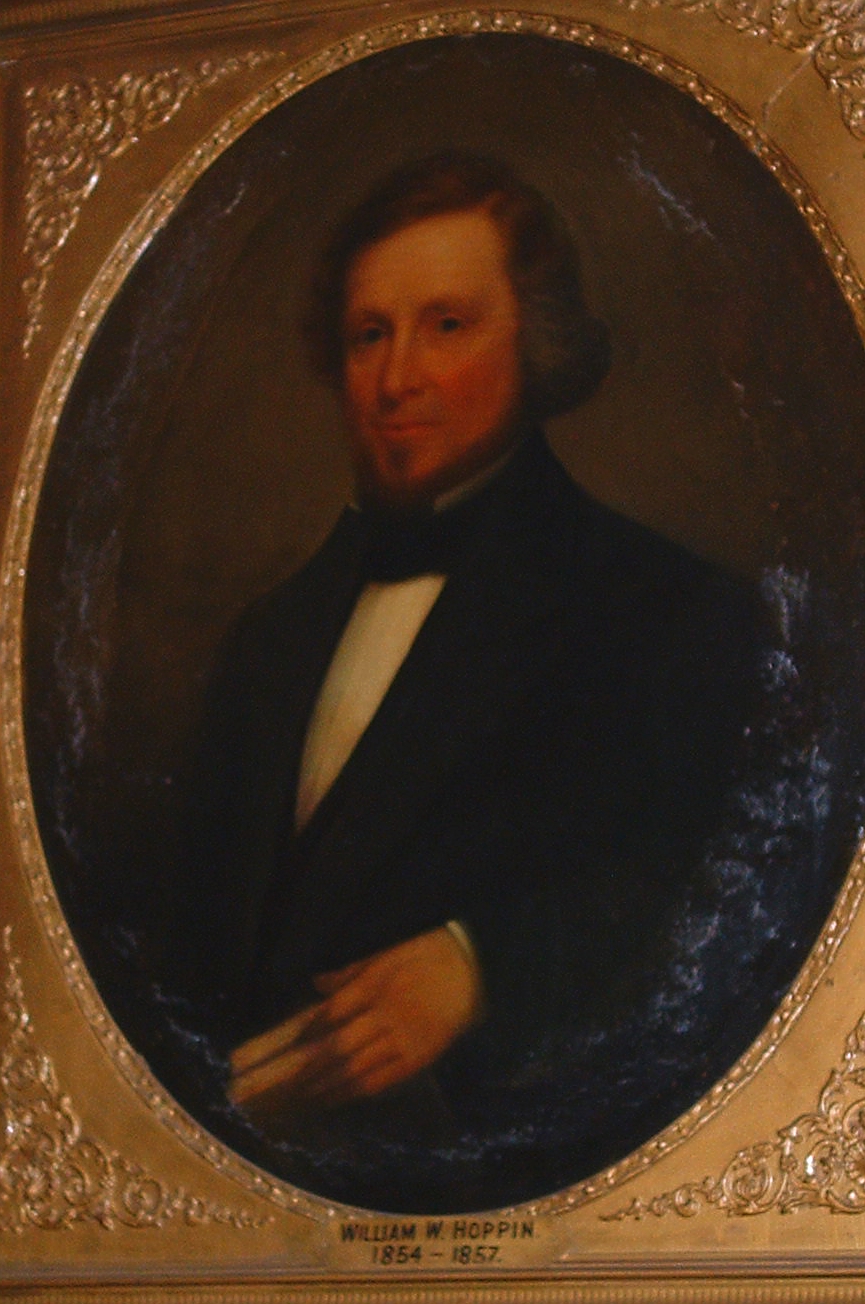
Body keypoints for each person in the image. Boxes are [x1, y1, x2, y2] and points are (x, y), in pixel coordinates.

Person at [173, 151, 762, 1211]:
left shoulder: (666, 610)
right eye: (369, 334)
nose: (396, 378)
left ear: (536, 341)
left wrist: (480, 967)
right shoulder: (265, 639)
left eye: (446, 325)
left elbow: (717, 900)